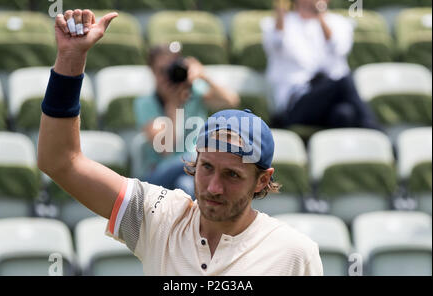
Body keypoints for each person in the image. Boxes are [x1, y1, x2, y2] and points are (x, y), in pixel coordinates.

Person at [38, 9, 323, 275]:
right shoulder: (160, 218)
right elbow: (60, 161)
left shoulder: (294, 253)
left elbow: (229, 99)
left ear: (262, 181)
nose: (213, 188)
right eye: (207, 166)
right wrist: (70, 61)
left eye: (232, 174)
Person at [134, 44, 240, 197]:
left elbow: (231, 101)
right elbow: (165, 148)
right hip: (160, 174)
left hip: (194, 173)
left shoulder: (195, 92)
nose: (167, 76)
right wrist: (174, 105)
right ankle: (207, 163)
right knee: (193, 161)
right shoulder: (145, 103)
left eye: (171, 69)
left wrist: (203, 75)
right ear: (152, 71)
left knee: (185, 186)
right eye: (161, 71)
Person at [262, 0, 381, 130]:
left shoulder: (338, 22)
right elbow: (275, 43)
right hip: (297, 102)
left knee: (344, 113)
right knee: (344, 80)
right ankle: (375, 130)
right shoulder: (279, 23)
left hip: (330, 99)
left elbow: (339, 48)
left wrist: (321, 18)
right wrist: (280, 14)